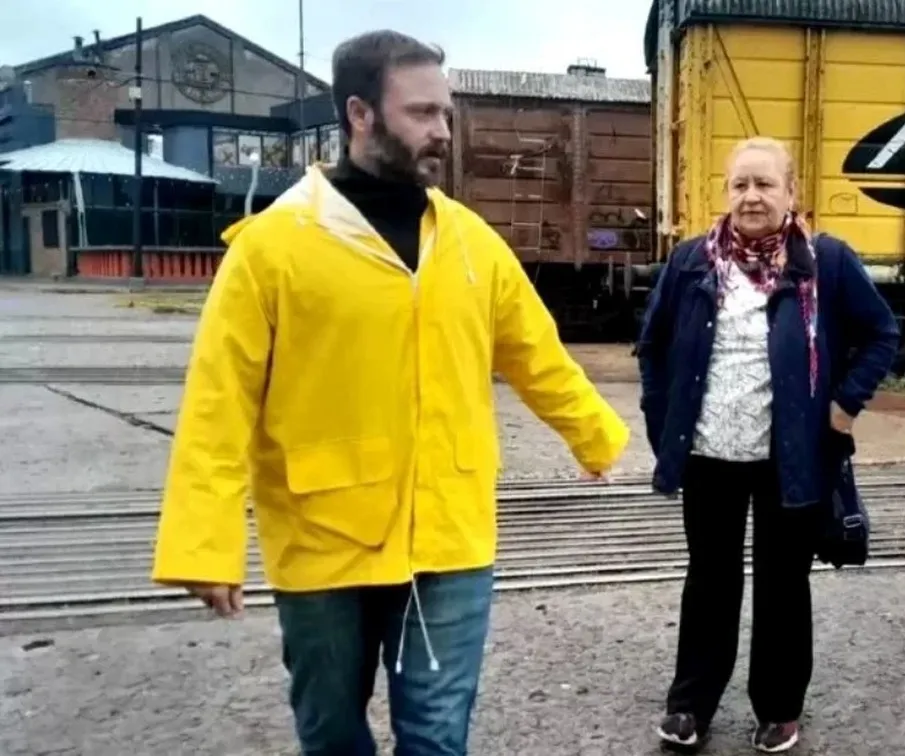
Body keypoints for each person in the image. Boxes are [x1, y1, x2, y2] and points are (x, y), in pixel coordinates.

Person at [150, 30, 630, 755]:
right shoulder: (273, 247)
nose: (442, 132)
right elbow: (220, 399)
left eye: (446, 113)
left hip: (450, 536)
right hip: (324, 539)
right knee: (332, 733)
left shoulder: (469, 240)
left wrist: (596, 435)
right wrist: (202, 542)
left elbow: (535, 352)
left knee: (437, 738)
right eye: (421, 113)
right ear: (360, 114)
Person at [637, 135, 900, 753]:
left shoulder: (825, 262)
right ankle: (690, 705)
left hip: (792, 458)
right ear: (725, 192)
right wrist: (662, 421)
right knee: (710, 579)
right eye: (740, 185)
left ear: (791, 193)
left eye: (765, 185)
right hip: (708, 455)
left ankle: (778, 706)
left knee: (783, 584)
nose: (751, 196)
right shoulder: (690, 262)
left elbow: (882, 333)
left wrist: (842, 405)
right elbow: (652, 347)